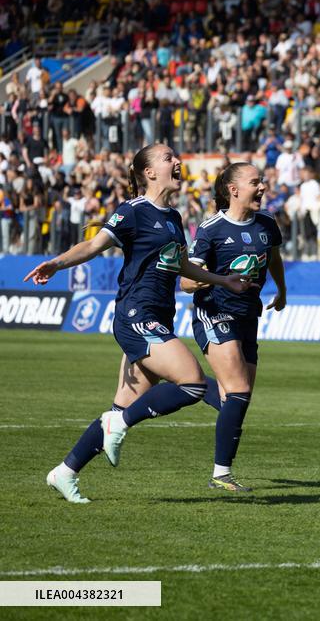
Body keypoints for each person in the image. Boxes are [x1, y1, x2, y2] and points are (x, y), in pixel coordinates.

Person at [27, 144, 253, 503]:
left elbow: (180, 266)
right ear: (149, 173)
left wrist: (222, 280)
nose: (177, 161)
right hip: (136, 315)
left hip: (159, 317)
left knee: (118, 408)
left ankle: (65, 471)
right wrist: (56, 263)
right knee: (193, 383)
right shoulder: (133, 211)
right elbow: (95, 245)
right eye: (168, 158)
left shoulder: (174, 218)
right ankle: (120, 425)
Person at [180, 163, 287, 492]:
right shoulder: (211, 229)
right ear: (233, 189)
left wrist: (281, 290)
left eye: (262, 181)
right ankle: (221, 474)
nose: (262, 187)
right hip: (215, 312)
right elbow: (186, 281)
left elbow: (271, 257)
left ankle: (192, 385)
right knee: (238, 390)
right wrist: (215, 281)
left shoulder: (267, 222)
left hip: (247, 316)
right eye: (255, 182)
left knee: (237, 397)